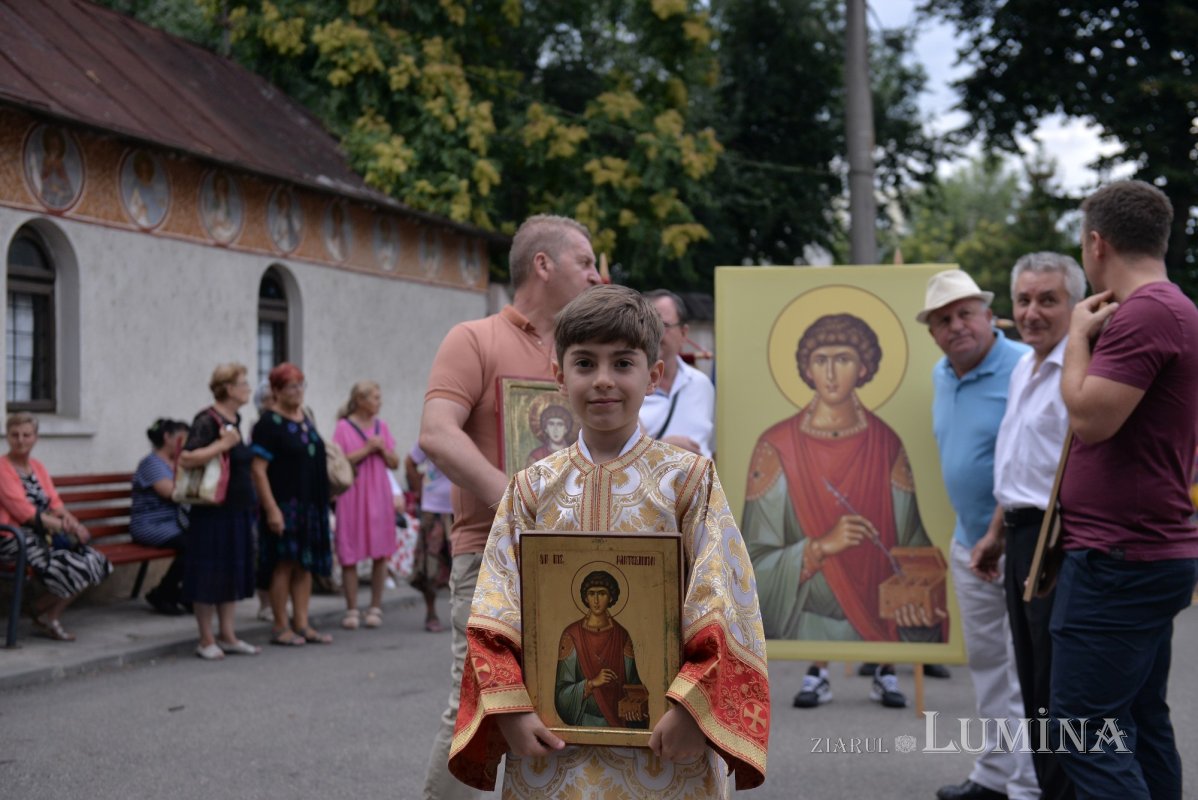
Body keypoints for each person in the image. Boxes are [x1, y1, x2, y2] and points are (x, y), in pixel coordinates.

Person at [449, 285, 768, 797]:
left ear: (654, 375)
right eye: (584, 364)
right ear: (558, 375)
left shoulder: (688, 482)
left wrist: (693, 709)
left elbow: (725, 603)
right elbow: (494, 609)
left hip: (666, 748)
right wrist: (511, 709)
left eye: (622, 363)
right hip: (551, 749)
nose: (603, 381)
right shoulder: (531, 488)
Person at [418, 213, 600, 800]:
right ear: (543, 265)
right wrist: (518, 503)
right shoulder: (474, 338)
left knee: (573, 709)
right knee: (476, 713)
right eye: (587, 262)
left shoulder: (582, 352)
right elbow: (437, 434)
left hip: (580, 557)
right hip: (492, 555)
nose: (598, 277)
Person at [1052, 180, 1198, 799]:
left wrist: (1075, 337)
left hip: (1120, 557)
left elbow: (1090, 417)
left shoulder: (1146, 313)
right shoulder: (1175, 308)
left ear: (1095, 244)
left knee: (1083, 730)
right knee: (1137, 719)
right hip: (1140, 551)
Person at [742, 313, 945, 710]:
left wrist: (917, 592)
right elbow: (753, 560)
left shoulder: (887, 442)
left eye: (844, 358)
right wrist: (819, 548)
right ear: (806, 369)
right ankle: (815, 671)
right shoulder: (776, 446)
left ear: (864, 366)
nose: (831, 372)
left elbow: (912, 540)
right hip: (810, 611)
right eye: (821, 359)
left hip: (880, 606)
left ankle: (887, 668)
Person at [970, 253, 1084, 800]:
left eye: (1048, 299)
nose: (1032, 312)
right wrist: (995, 534)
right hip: (1017, 535)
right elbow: (1016, 467)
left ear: (1074, 305)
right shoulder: (1025, 366)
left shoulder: (1078, 370)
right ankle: (1039, 788)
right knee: (1033, 680)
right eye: (1023, 300)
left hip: (1058, 540)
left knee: (1057, 687)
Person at [921, 270, 1038, 800]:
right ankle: (995, 773)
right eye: (944, 319)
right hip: (971, 544)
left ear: (990, 316)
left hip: (1023, 542)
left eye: (966, 312)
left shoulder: (1023, 367)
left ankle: (1027, 783)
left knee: (1024, 668)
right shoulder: (942, 375)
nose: (956, 325)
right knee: (988, 663)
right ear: (933, 333)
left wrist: (998, 532)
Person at [0, 412, 112, 641]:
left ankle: (43, 610)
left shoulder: (37, 467)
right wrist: (65, 527)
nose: (20, 440)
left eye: (26, 435)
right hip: (14, 538)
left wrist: (73, 522)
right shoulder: (2, 468)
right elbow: (24, 513)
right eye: (15, 435)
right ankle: (46, 615)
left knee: (96, 561)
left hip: (45, 536)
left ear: (35, 438)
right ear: (8, 437)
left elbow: (54, 501)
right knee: (76, 566)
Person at [177, 364, 259, 660]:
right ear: (227, 388)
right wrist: (222, 444)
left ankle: (228, 635)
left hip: (236, 507)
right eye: (243, 383)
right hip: (212, 510)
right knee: (209, 570)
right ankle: (205, 638)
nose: (248, 388)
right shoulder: (207, 420)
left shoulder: (235, 418)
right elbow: (186, 458)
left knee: (231, 569)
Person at [251, 362, 334, 647]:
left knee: (305, 565)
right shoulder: (267, 424)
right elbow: (258, 470)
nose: (298, 391)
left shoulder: (304, 417)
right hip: (285, 504)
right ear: (275, 390)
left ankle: (302, 623)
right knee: (283, 564)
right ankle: (280, 625)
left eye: (301, 385)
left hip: (311, 504)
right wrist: (271, 509)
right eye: (291, 386)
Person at [333, 380, 400, 631]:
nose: (378, 402)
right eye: (374, 397)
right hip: (352, 493)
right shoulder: (343, 427)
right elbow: (339, 462)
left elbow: (394, 462)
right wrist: (366, 449)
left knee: (380, 550)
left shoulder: (382, 427)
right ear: (360, 400)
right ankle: (351, 609)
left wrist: (382, 450)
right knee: (348, 551)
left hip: (379, 493)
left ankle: (375, 607)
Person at [554, 569, 647, 729]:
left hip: (618, 722)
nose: (596, 600)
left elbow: (633, 684)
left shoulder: (621, 635)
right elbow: (562, 694)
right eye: (591, 593)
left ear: (611, 597)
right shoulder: (571, 635)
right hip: (585, 722)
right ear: (585, 597)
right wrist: (591, 684)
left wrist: (635, 707)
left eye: (602, 593)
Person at [639, 289, 715, 457]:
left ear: (684, 333)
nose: (655, 333)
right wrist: (663, 448)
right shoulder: (626, 387)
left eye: (663, 325)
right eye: (647, 324)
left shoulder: (701, 384)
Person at [132, 417, 191, 616]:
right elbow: (170, 492)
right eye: (182, 439)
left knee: (206, 540)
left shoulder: (177, 463)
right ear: (167, 437)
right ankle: (163, 593)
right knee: (192, 544)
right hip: (151, 525)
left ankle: (187, 594)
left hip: (174, 523)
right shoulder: (151, 463)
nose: (186, 445)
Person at [404, 444, 452, 633]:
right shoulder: (431, 437)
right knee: (430, 564)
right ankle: (431, 612)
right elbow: (409, 463)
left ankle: (464, 614)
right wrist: (420, 491)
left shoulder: (469, 433)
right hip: (434, 508)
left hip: (461, 508)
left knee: (463, 563)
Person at [524, 402, 575, 467]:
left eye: (560, 424)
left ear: (566, 429)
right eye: (551, 424)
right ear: (546, 428)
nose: (555, 429)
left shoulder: (575, 455)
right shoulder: (536, 456)